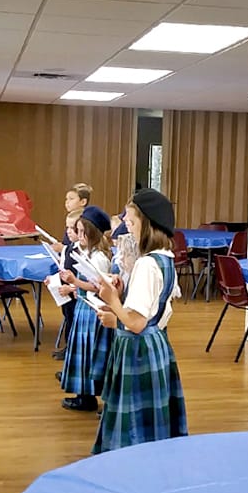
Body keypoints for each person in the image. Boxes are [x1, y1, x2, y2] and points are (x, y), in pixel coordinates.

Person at [92, 189, 188, 454]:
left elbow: (135, 323)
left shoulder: (146, 264)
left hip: (138, 350)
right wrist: (122, 297)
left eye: (132, 222)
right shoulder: (166, 258)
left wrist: (112, 300)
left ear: (148, 224)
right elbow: (153, 311)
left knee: (133, 420)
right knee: (152, 418)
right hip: (156, 343)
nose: (128, 227)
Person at [57, 206, 115, 412]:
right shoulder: (89, 253)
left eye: (83, 232)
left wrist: (75, 282)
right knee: (83, 352)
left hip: (92, 311)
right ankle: (83, 395)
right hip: (84, 308)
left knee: (88, 354)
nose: (79, 235)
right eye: (78, 231)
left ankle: (87, 397)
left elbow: (99, 287)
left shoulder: (99, 257)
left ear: (93, 233)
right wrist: (74, 286)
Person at [54, 183, 93, 359]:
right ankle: (69, 348)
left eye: (71, 199)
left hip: (76, 288)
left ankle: (73, 350)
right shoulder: (72, 241)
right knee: (68, 316)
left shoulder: (85, 248)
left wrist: (72, 286)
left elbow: (88, 278)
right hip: (68, 285)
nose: (66, 202)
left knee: (74, 319)